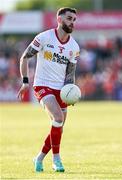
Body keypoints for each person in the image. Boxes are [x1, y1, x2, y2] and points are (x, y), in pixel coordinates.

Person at [18, 7, 80, 172]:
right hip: (42, 85)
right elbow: (25, 57)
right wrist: (25, 82)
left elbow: (70, 74)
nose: (72, 22)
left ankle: (39, 158)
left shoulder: (74, 47)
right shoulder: (44, 37)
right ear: (59, 19)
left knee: (58, 125)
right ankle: (56, 160)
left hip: (61, 89)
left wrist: (70, 93)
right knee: (58, 117)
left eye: (74, 20)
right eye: (69, 18)